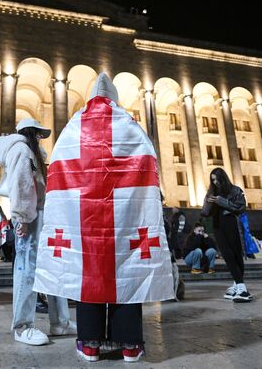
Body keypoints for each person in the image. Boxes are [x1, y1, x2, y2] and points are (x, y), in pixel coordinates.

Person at [32, 73, 173, 362]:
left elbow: (59, 173)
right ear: (114, 97)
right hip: (126, 217)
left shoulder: (73, 127)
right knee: (126, 270)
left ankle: (90, 343)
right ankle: (130, 344)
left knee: (89, 271)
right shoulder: (130, 126)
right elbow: (148, 167)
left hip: (83, 219)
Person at [0, 117, 76, 346]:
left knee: (52, 266)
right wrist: (21, 218)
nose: (41, 138)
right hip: (30, 217)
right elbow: (21, 186)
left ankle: (60, 322)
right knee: (27, 269)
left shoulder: (31, 151)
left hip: (42, 216)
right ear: (29, 133)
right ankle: (22, 326)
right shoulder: (21, 150)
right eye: (38, 133)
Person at [202, 167, 252, 302]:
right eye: (212, 180)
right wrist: (208, 200)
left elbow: (240, 207)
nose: (215, 182)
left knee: (236, 253)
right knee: (227, 254)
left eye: (217, 179)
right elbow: (205, 213)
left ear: (222, 178)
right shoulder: (211, 192)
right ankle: (238, 284)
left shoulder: (235, 190)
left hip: (231, 223)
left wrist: (221, 201)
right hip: (217, 226)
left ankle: (240, 286)